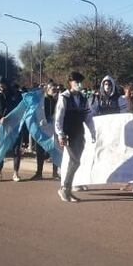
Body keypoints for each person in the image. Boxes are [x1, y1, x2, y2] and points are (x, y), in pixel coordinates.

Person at [54, 71, 96, 203]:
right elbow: (58, 118)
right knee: (75, 161)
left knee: (75, 162)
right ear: (70, 83)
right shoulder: (64, 97)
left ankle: (67, 189)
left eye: (80, 82)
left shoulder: (83, 98)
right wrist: (60, 134)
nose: (78, 84)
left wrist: (93, 132)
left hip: (79, 133)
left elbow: (88, 117)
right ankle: (65, 189)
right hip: (67, 134)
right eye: (76, 82)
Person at [0, 77, 23, 182]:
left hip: (15, 126)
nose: (0, 86)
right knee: (1, 150)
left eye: (2, 83)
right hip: (1, 126)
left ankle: (16, 173)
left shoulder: (16, 95)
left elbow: (22, 108)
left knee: (16, 150)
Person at [32, 83, 60, 181]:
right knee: (40, 151)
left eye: (56, 90)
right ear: (47, 89)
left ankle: (55, 173)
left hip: (53, 129)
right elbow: (35, 113)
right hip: (41, 129)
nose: (55, 91)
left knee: (55, 150)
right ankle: (39, 173)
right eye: (53, 89)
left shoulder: (57, 100)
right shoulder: (41, 101)